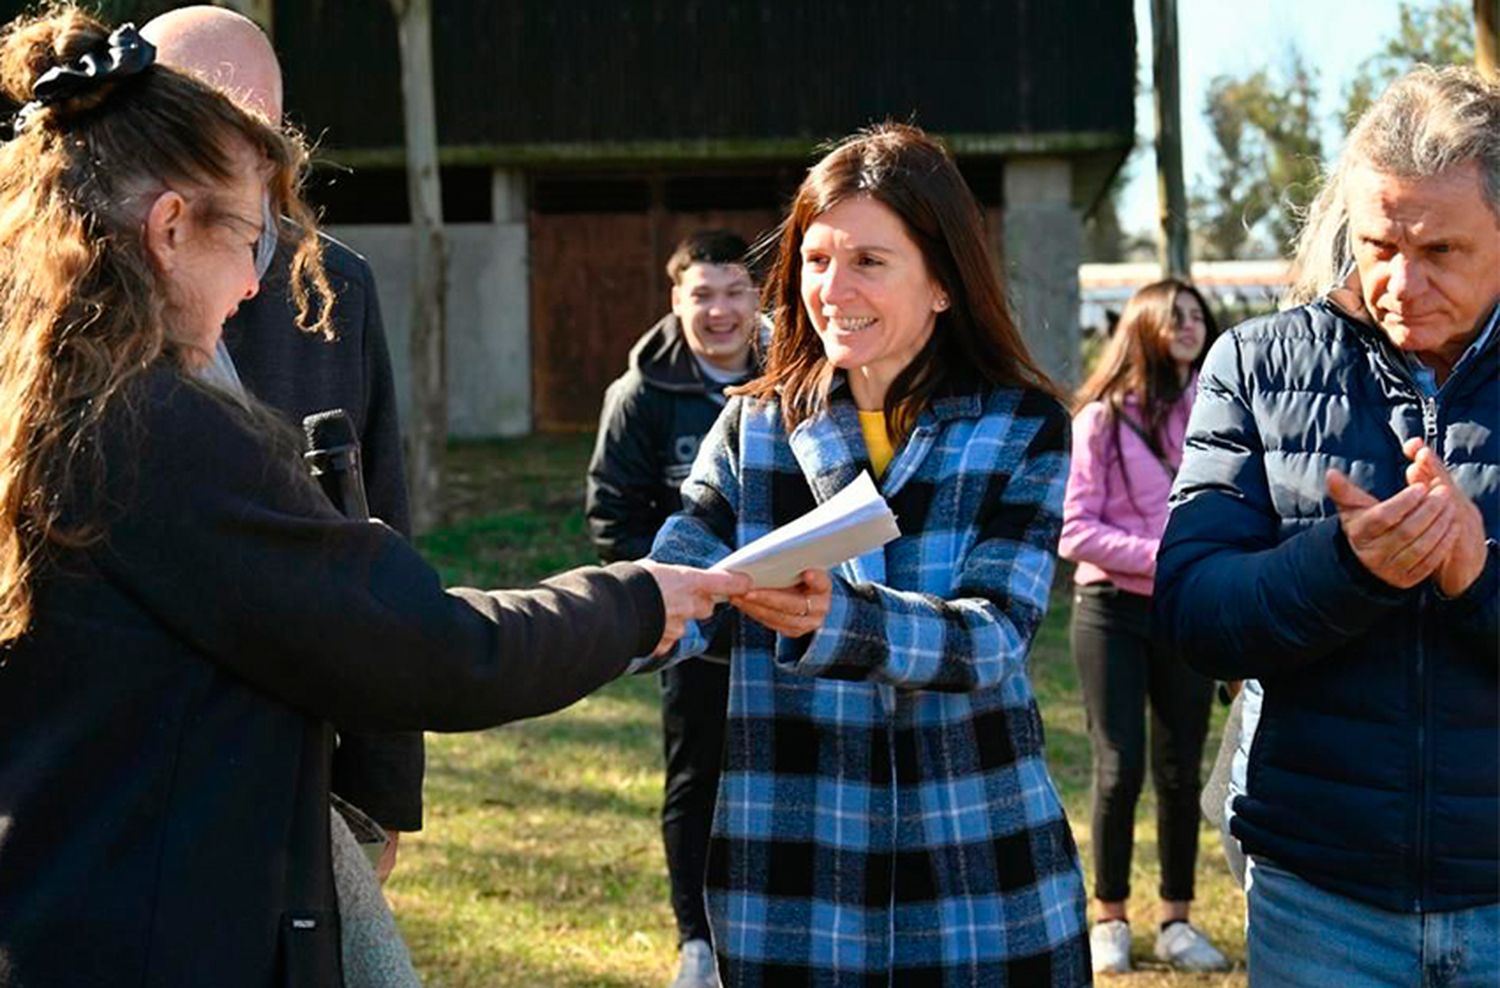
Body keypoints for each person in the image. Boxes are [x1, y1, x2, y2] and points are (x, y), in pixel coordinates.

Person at [0, 9, 748, 986]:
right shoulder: (154, 430)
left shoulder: (49, 400)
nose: (255, 289)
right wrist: (640, 599)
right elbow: (428, 648)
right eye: (254, 245)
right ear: (171, 229)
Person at [644, 123, 1089, 985]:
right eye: (814, 260)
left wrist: (836, 617)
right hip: (796, 880)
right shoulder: (755, 422)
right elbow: (676, 574)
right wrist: (593, 619)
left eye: (868, 263)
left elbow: (994, 636)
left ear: (945, 284)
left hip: (981, 872)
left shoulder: (1022, 426)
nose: (830, 289)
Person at [1153, 65, 1498, 986]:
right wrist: (1342, 567)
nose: (1401, 282)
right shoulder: (1258, 364)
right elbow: (1193, 607)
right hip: (1321, 897)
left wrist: (1477, 574)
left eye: (1443, 252)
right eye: (1380, 243)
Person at [586, 230, 760, 988]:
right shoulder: (639, 398)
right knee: (698, 781)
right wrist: (677, 597)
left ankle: (767, 931)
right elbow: (612, 516)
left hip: (801, 627)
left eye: (734, 293)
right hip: (696, 634)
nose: (719, 312)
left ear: (759, 299)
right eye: (703, 295)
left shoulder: (804, 377)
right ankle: (697, 940)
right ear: (676, 300)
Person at [1058, 279, 1228, 974]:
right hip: (1110, 613)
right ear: (1144, 326)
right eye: (1176, 315)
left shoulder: (1221, 414)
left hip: (1183, 614)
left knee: (1181, 771)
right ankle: (1111, 919)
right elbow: (1075, 530)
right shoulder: (1100, 418)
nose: (1190, 326)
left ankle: (1178, 921)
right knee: (1119, 767)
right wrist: (1162, 557)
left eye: (1198, 316)